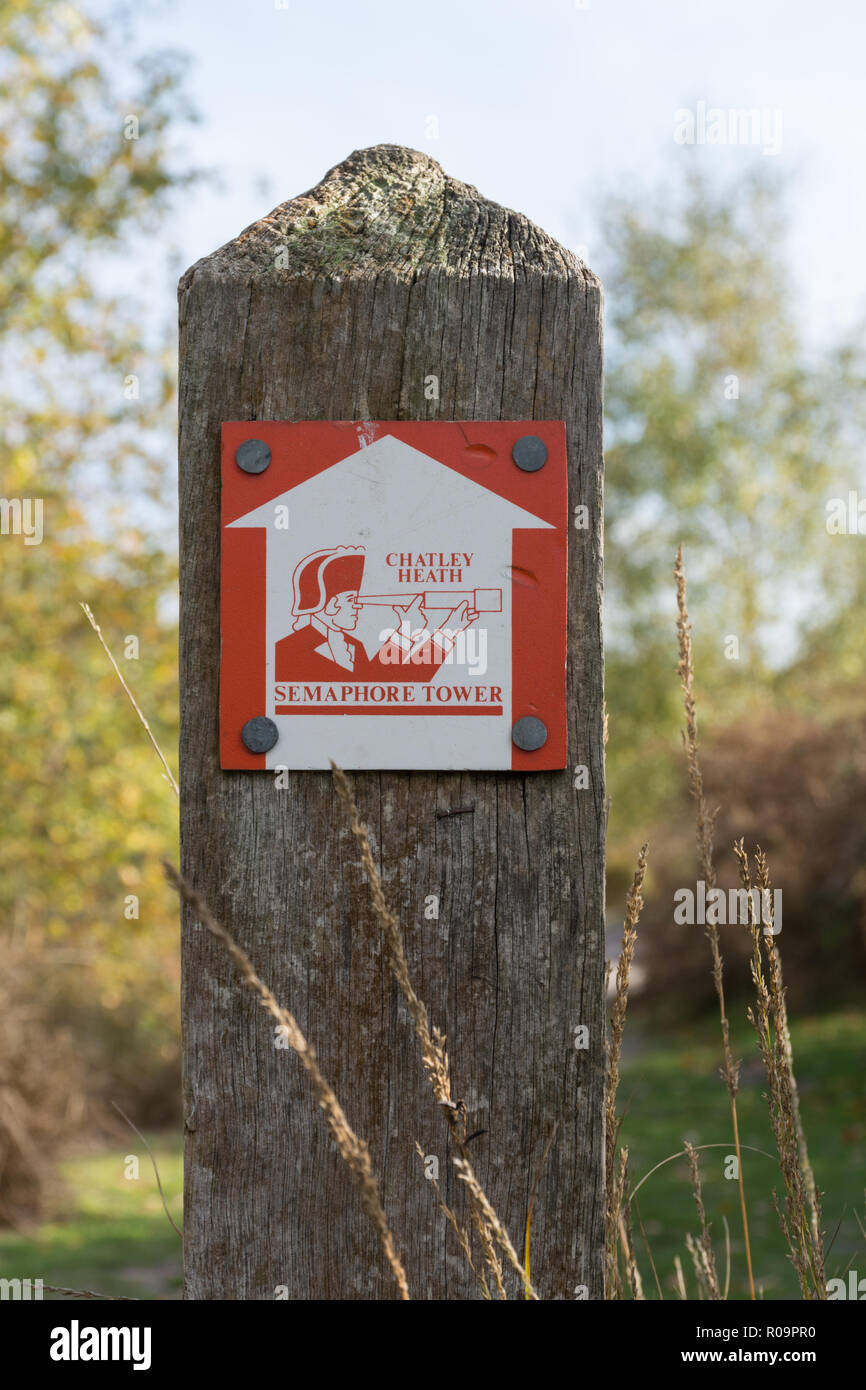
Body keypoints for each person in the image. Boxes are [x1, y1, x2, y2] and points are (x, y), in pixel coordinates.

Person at [274, 545, 477, 681]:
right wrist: (405, 633)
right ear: (331, 604)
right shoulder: (289, 651)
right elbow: (372, 688)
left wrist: (450, 629)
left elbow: (399, 687)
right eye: (352, 600)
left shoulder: (353, 646)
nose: (359, 606)